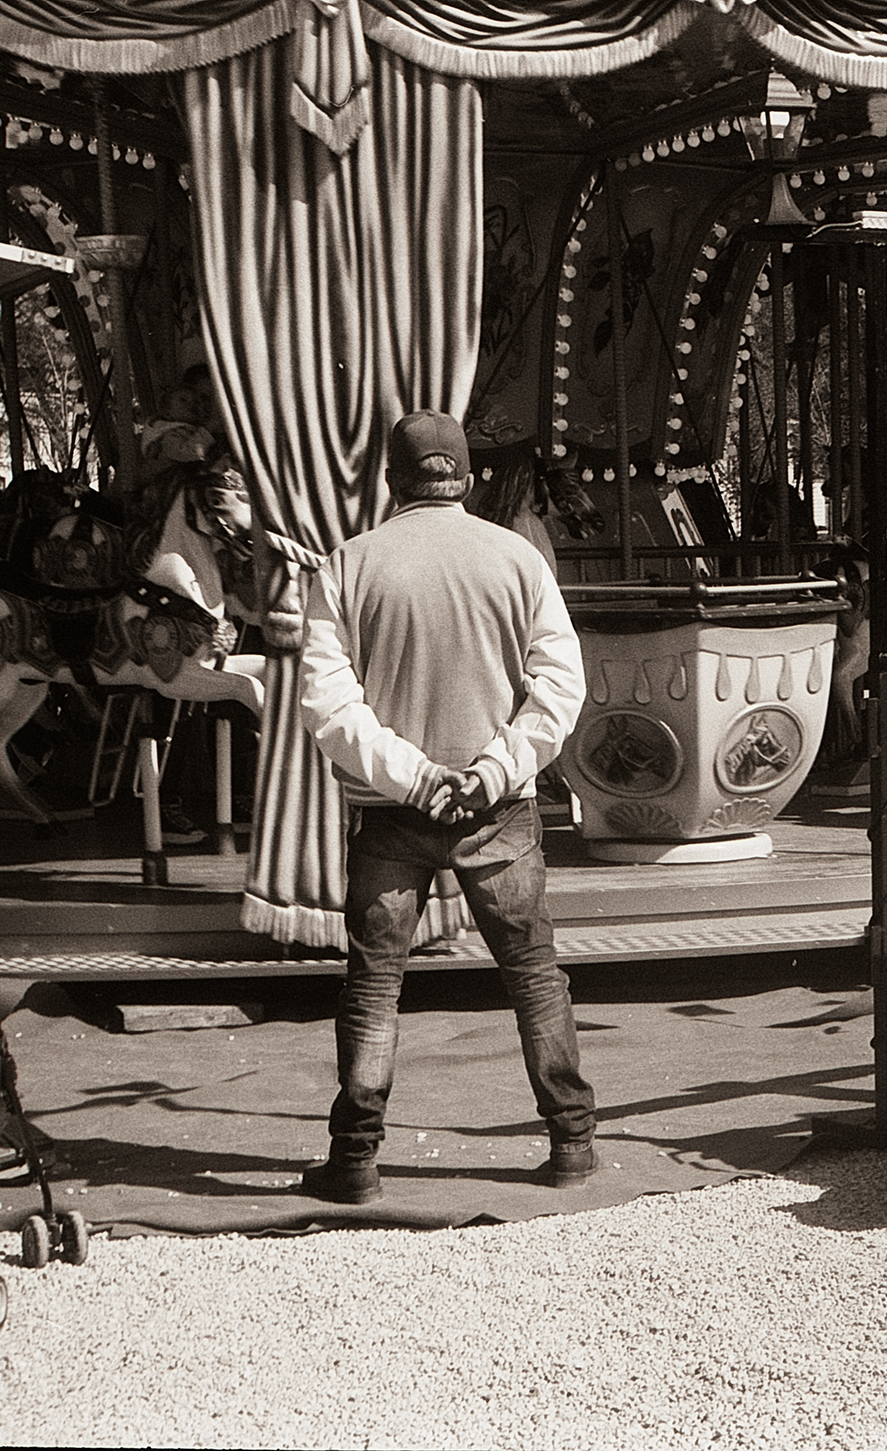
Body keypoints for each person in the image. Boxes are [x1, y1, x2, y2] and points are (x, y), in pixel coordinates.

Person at [294, 410, 592, 1204]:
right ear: (467, 478)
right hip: (497, 808)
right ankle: (572, 1143)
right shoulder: (518, 558)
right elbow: (561, 689)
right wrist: (492, 770)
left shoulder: (347, 565)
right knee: (534, 976)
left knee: (374, 984)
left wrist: (415, 776)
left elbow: (327, 704)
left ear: (391, 479)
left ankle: (355, 1158)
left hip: (393, 810)